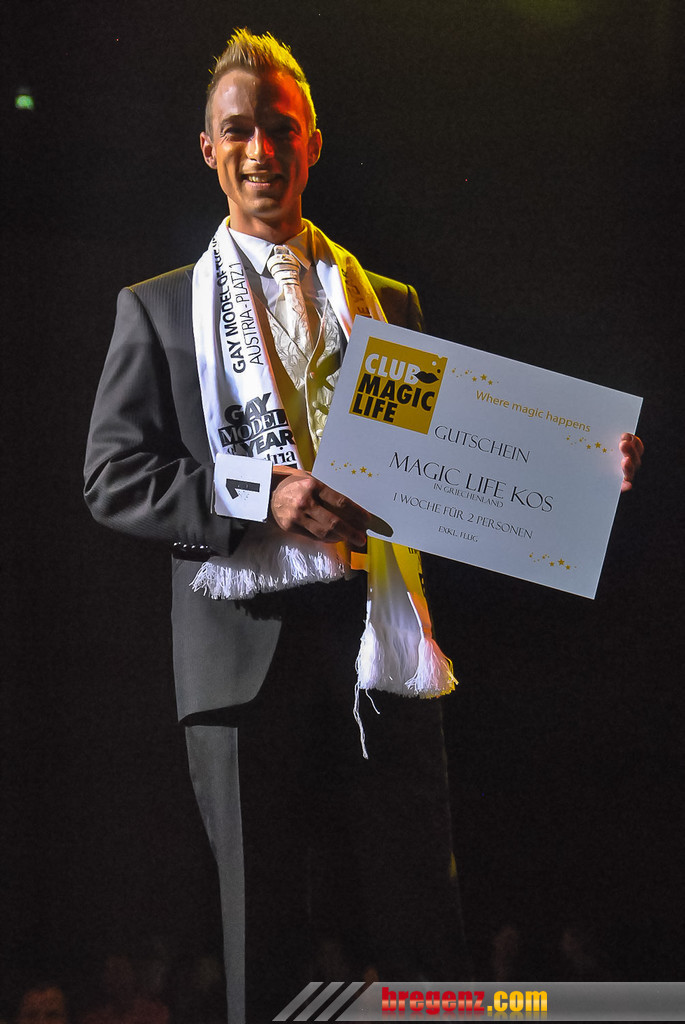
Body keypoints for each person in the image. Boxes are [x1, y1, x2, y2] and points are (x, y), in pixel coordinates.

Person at [84, 29, 643, 1024]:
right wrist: (258, 495)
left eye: (279, 128)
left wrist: (577, 469)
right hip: (240, 650)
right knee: (264, 940)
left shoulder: (387, 304)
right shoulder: (159, 310)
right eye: (238, 131)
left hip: (378, 632)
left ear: (313, 142)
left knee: (424, 917)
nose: (260, 149)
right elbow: (111, 477)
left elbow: (450, 462)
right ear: (208, 149)